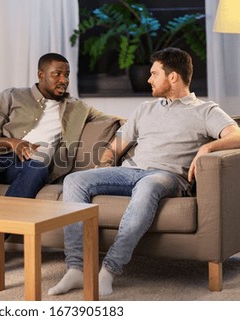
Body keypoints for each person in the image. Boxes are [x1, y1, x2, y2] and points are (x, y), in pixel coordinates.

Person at [48, 47, 240, 297]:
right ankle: (76, 268)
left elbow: (236, 134)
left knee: (148, 185)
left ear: (173, 77)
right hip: (132, 172)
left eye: (154, 74)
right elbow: (117, 145)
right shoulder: (145, 109)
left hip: (168, 177)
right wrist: (104, 163)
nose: (148, 79)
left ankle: (110, 268)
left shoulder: (205, 110)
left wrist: (207, 147)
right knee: (75, 180)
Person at [0, 52, 115, 281]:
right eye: (57, 74)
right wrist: (14, 143)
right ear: (41, 74)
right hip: (0, 156)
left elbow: (115, 119)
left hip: (33, 165)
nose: (64, 80)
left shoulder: (78, 108)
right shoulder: (11, 96)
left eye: (66, 75)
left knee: (38, 166)